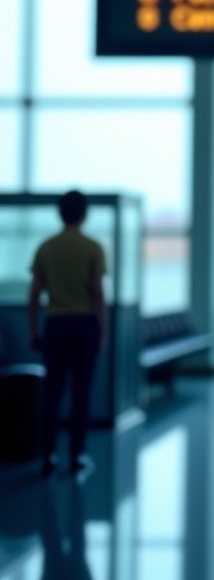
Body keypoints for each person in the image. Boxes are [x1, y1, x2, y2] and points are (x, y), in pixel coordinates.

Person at [27, 190, 106, 476]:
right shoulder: (92, 248)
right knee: (81, 394)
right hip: (84, 327)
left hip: (56, 326)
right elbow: (97, 294)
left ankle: (48, 455)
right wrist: (102, 331)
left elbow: (35, 294)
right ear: (84, 214)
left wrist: (34, 330)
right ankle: (77, 455)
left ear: (60, 213)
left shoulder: (46, 247)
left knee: (52, 395)